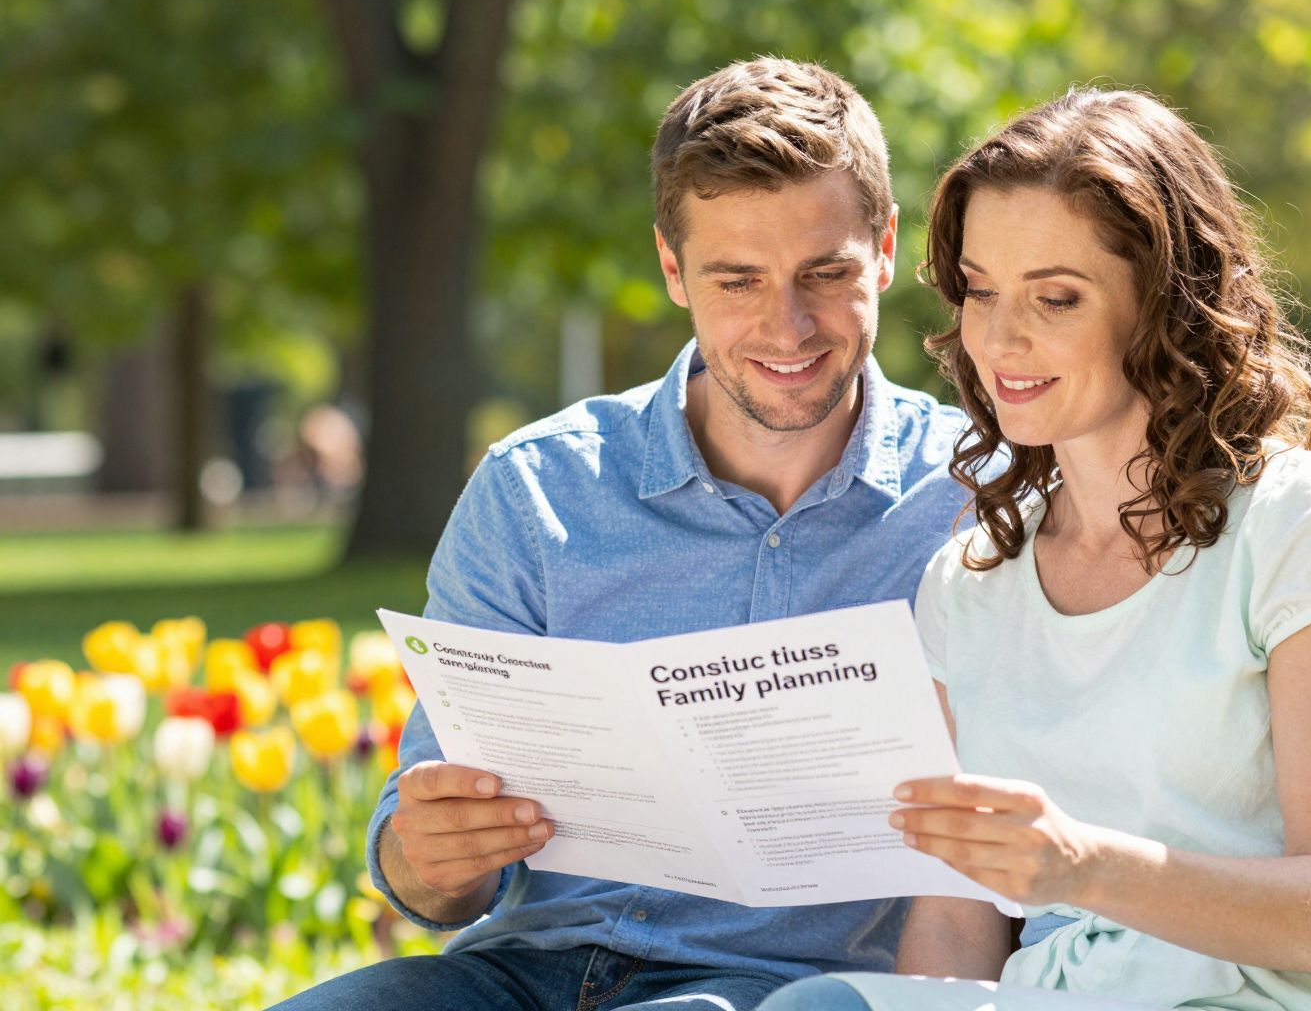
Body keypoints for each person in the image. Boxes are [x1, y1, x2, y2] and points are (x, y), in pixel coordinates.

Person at [269, 58, 971, 1011]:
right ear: (672, 268)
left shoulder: (975, 500)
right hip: (516, 973)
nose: (788, 325)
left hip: (774, 991)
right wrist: (433, 853)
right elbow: (428, 878)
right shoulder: (536, 490)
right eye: (737, 281)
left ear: (886, 249)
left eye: (825, 272)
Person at [761, 88, 1311, 1011]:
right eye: (982, 290)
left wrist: (1084, 868)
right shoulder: (972, 583)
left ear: (1164, 306)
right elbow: (958, 922)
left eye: (1057, 296)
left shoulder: (1302, 525)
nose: (1003, 336)